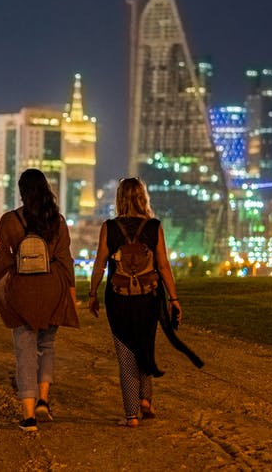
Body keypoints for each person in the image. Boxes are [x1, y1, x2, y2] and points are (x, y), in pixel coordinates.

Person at [0, 169, 78, 432]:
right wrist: (71, 294)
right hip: (53, 288)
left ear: (21, 191)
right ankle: (44, 400)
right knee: (47, 345)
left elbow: (3, 259)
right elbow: (65, 260)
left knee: (25, 351)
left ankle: (29, 417)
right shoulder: (57, 221)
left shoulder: (9, 220)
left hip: (22, 290)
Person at [87, 177, 184, 427]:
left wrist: (92, 293)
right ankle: (146, 401)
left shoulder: (109, 227)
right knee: (144, 345)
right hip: (148, 297)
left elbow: (99, 264)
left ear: (119, 198)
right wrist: (173, 298)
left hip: (118, 298)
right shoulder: (154, 227)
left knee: (126, 352)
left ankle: (131, 414)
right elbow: (163, 265)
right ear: (143, 197)